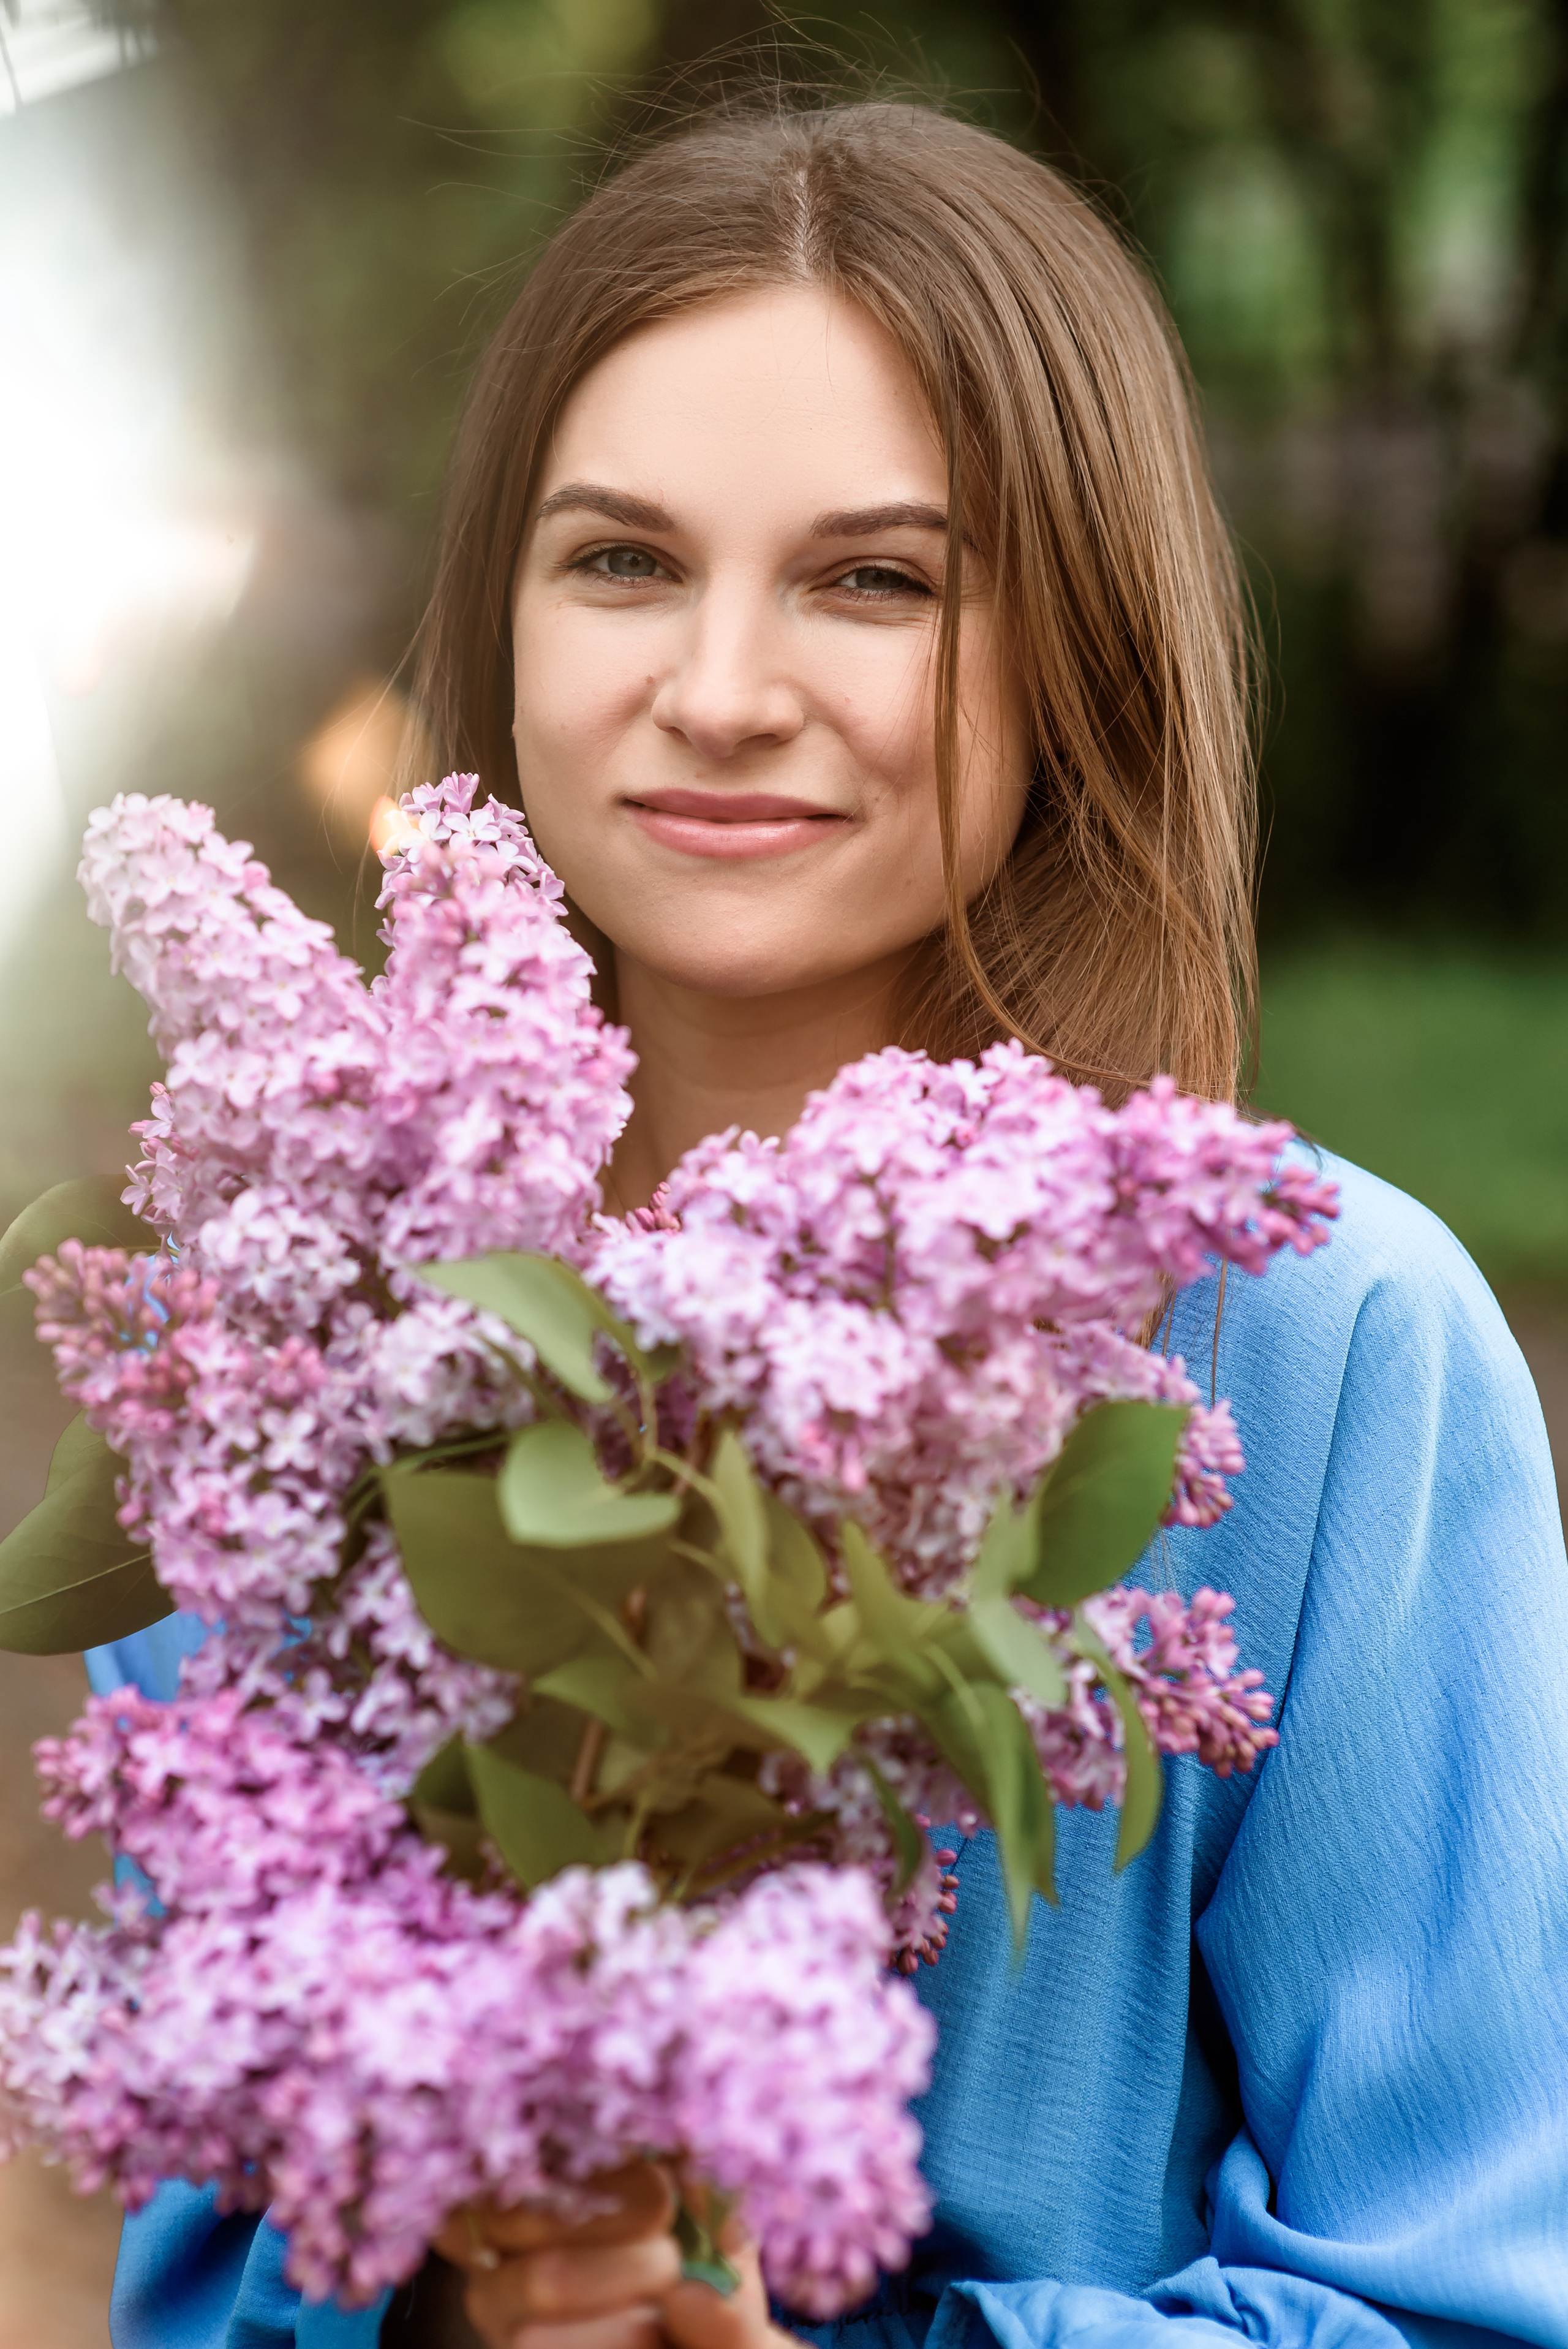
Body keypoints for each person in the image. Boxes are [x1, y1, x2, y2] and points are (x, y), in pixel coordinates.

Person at [96, 95, 1568, 2349]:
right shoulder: (276, 1377)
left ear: (1078, 649)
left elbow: (1469, 2300)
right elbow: (202, 2280)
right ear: (496, 612)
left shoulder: (1326, 1349)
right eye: (619, 561)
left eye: (876, 579)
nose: (719, 690)